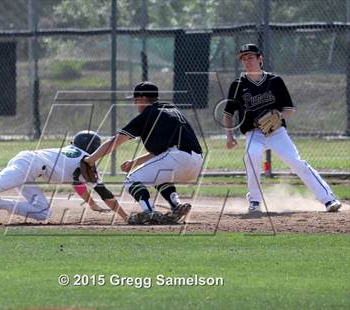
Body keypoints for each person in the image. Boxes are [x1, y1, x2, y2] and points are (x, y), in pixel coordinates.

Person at [223, 43, 342, 213]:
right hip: (254, 133)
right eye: (243, 58)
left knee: (296, 162)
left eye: (250, 57)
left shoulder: (274, 81)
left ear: (260, 59)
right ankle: (255, 201)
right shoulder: (238, 85)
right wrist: (229, 137)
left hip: (277, 132)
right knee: (252, 155)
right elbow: (228, 114)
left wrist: (278, 116)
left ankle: (329, 199)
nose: (246, 61)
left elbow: (289, 109)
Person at [0, 130, 129, 224]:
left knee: (42, 212)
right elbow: (106, 194)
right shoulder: (86, 162)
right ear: (93, 148)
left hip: (29, 164)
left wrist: (90, 204)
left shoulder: (75, 157)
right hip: (31, 165)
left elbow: (77, 183)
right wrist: (125, 217)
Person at [83, 81, 204, 224]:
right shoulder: (170, 110)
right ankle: (176, 205)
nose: (135, 103)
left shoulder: (148, 114)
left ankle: (149, 211)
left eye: (135, 100)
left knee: (131, 180)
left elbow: (114, 141)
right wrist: (135, 162)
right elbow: (162, 151)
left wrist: (90, 160)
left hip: (178, 158)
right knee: (159, 175)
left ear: (143, 99)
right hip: (196, 162)